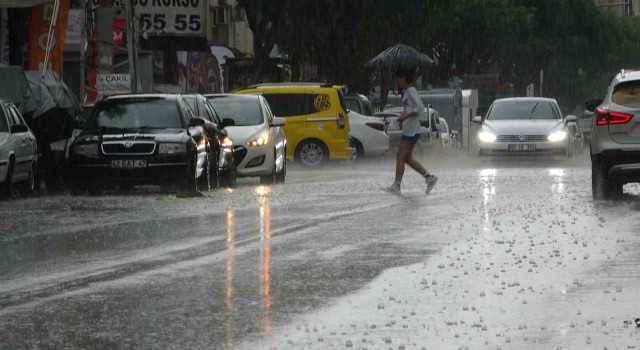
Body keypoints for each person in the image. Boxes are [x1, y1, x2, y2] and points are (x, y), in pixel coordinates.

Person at [383, 68, 438, 195]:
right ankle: (429, 178)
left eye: (397, 79)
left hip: (412, 130)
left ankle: (396, 186)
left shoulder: (411, 91)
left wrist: (405, 117)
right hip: (410, 129)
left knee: (400, 156)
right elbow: (410, 109)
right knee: (407, 158)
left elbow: (419, 107)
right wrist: (400, 119)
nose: (396, 82)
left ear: (404, 78)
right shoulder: (407, 92)